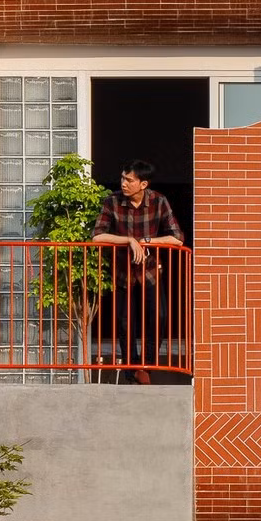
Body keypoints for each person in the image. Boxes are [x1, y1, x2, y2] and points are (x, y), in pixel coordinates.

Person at [92, 159, 184, 384]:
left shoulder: (158, 201)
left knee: (158, 316)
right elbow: (97, 236)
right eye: (123, 178)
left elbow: (178, 239)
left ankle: (146, 366)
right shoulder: (112, 201)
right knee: (125, 321)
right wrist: (129, 240)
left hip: (150, 271)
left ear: (143, 184)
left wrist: (147, 241)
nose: (123, 183)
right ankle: (131, 369)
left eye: (129, 180)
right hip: (123, 273)